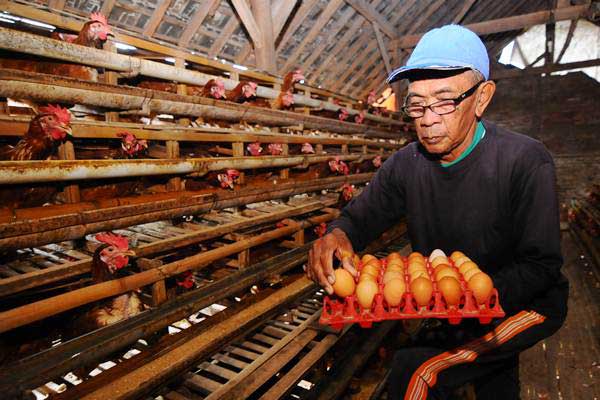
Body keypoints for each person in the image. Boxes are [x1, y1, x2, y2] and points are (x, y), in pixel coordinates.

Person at [306, 24, 568, 399]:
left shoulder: (525, 161)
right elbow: (359, 219)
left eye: (445, 101)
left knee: (418, 370)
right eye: (416, 103)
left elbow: (541, 267)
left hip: (529, 305)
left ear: (481, 99)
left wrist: (468, 296)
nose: (427, 118)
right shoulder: (405, 165)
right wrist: (337, 235)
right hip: (459, 305)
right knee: (494, 378)